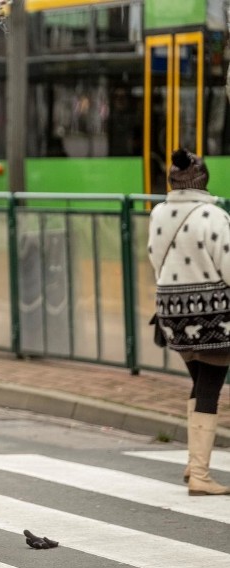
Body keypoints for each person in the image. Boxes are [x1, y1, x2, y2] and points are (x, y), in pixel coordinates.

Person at [147, 148, 230, 497]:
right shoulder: (213, 215)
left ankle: (193, 462)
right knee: (211, 383)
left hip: (170, 312)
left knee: (199, 380)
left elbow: (154, 256)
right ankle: (200, 474)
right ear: (203, 178)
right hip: (212, 313)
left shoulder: (159, 212)